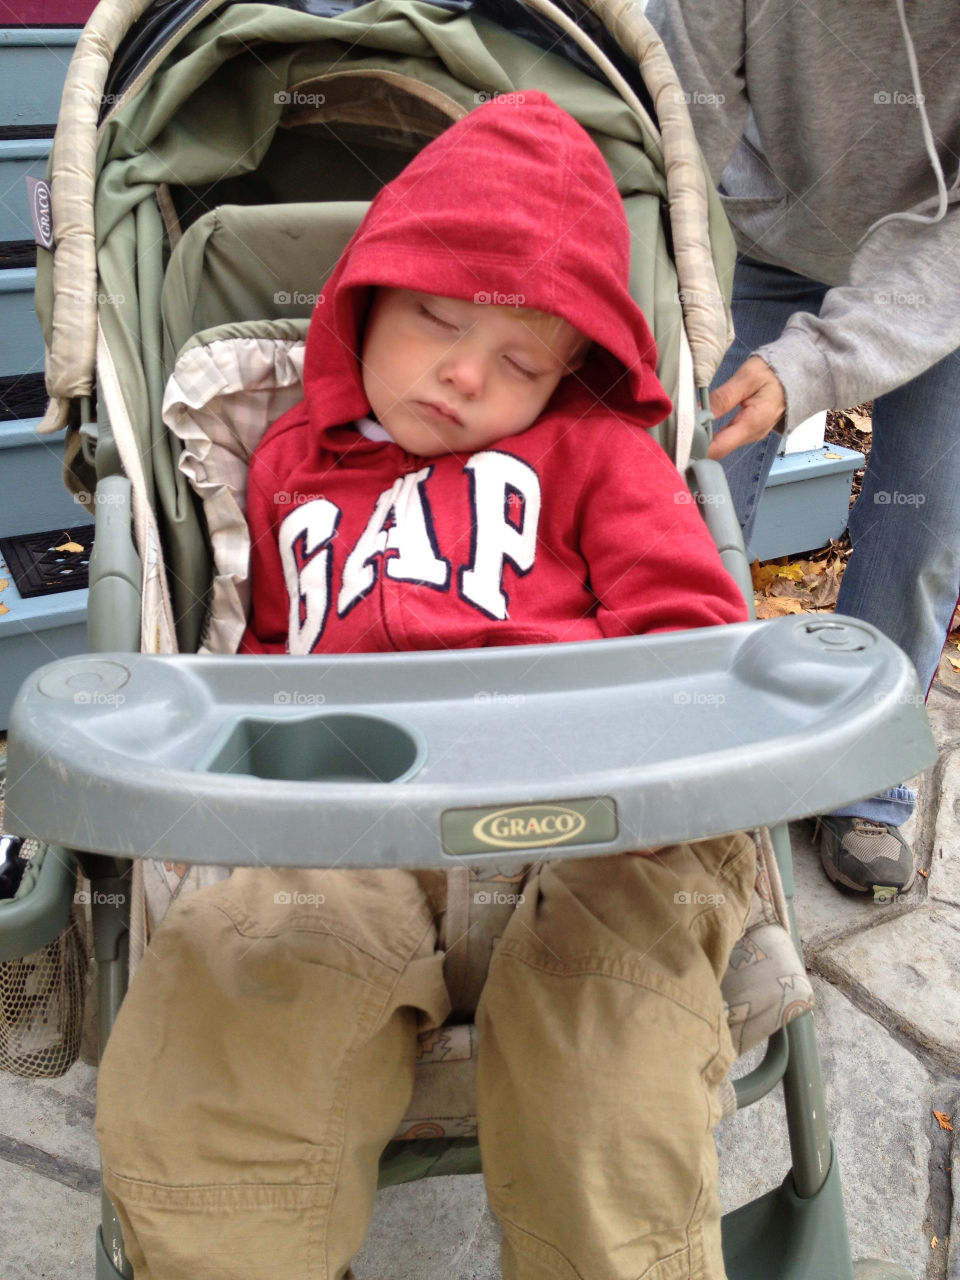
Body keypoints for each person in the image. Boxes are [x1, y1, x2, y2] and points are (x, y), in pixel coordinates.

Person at [95, 93, 756, 1280]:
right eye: (435, 318)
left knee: (609, 1081)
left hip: (590, 827)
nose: (461, 374)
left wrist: (674, 795)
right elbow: (266, 663)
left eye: (517, 361)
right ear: (363, 301)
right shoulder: (290, 462)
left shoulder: (594, 454)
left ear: (570, 373)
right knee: (227, 1043)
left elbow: (693, 639)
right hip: (345, 834)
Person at [647, 0, 960, 900]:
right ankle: (690, 747)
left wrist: (817, 365)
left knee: (923, 532)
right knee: (690, 501)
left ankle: (866, 779)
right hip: (763, 238)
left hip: (939, 274)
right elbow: (679, 132)